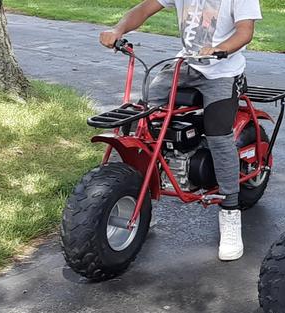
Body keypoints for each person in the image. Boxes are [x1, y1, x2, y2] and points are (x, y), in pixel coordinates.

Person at [98, 0, 262, 261]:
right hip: (186, 66)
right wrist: (118, 29)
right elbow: (144, 9)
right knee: (143, 113)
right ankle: (134, 188)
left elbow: (245, 32)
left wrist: (220, 49)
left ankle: (230, 211)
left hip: (222, 72)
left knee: (219, 135)